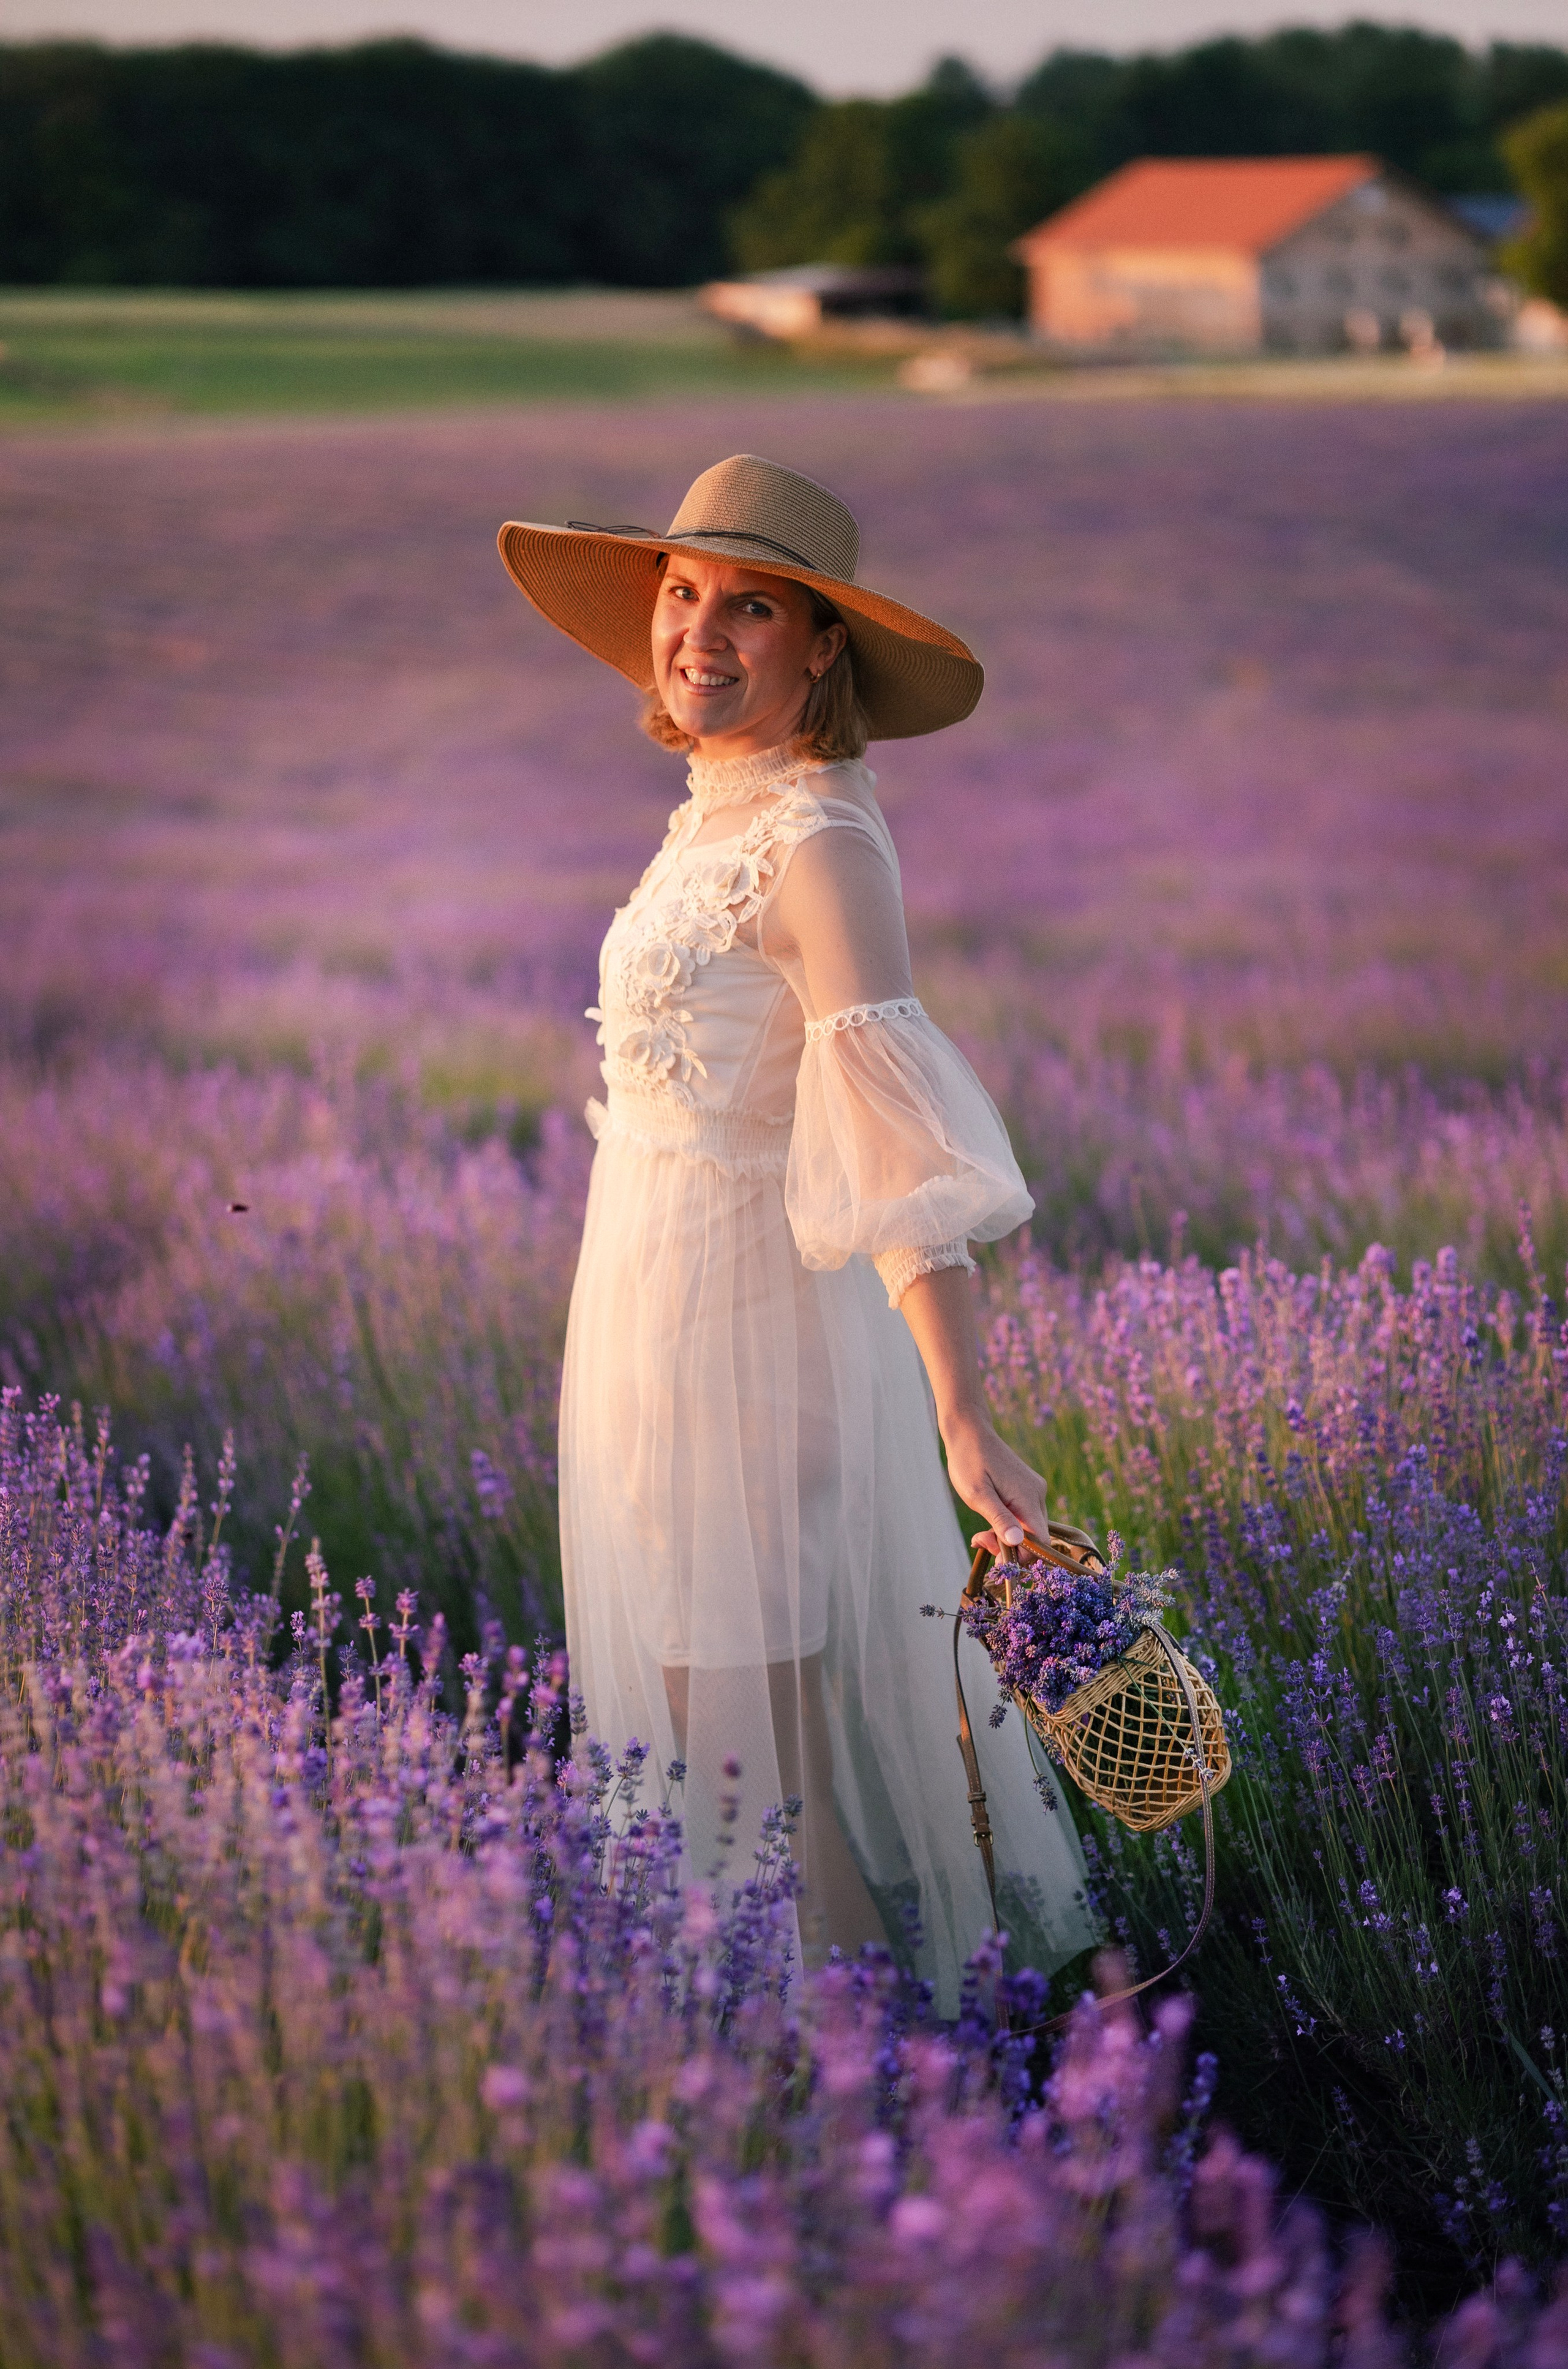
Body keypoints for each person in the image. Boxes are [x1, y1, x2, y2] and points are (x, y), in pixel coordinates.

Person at [499, 454, 1094, 2008]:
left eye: (747, 606)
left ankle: (862, 2110)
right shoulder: (719, 810)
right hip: (654, 1338)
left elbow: (892, 1152)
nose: (698, 631)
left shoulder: (817, 840)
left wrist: (961, 1412)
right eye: (681, 594)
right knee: (730, 1772)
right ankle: (839, 2102)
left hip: (748, 1370)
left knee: (759, 1787)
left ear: (820, 644)